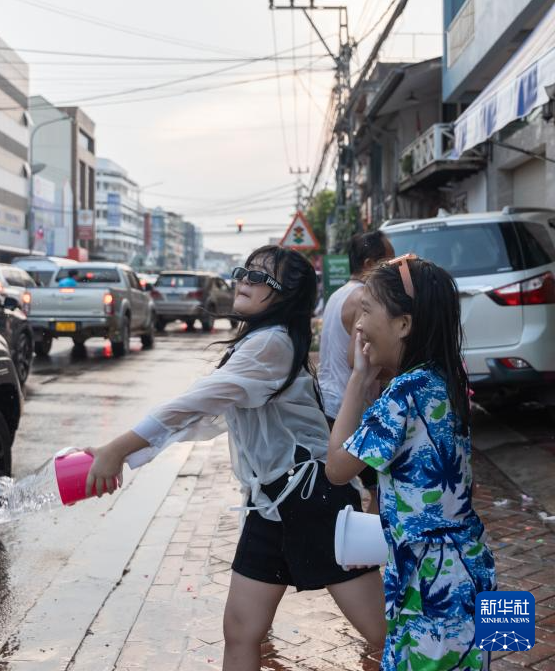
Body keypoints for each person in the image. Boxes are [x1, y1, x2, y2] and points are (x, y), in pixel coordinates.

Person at [86, 245, 386, 671]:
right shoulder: (261, 341)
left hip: (312, 501)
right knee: (240, 631)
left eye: (260, 277)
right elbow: (203, 410)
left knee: (385, 630)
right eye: (244, 271)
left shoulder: (272, 343)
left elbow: (193, 403)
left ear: (285, 296)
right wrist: (127, 451)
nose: (244, 280)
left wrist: (118, 449)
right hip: (270, 503)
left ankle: (468, 648)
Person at [326, 254, 496, 671]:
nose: (358, 325)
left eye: (366, 310)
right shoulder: (446, 378)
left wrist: (358, 378)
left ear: (403, 324)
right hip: (472, 566)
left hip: (431, 584)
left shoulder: (402, 395)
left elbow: (337, 468)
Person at [319, 230, 394, 513]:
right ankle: (371, 540)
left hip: (330, 402)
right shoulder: (365, 296)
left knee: (353, 489)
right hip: (350, 409)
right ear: (369, 264)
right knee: (378, 490)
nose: (394, 266)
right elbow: (357, 359)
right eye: (389, 260)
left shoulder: (339, 294)